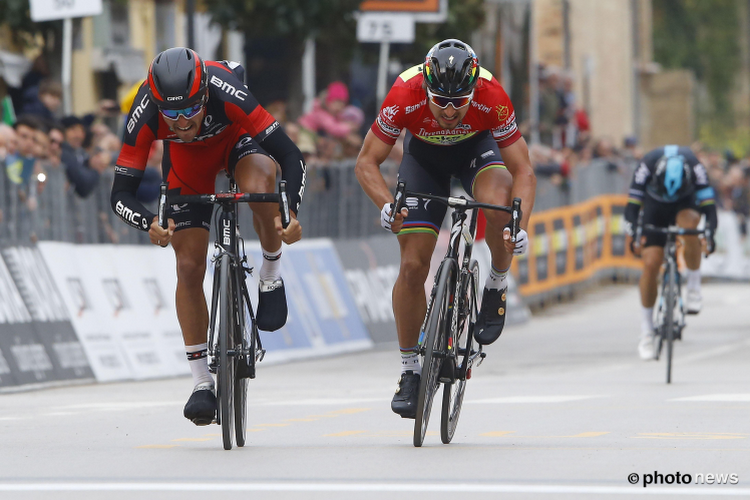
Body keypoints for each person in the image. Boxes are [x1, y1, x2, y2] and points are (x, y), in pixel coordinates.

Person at [110, 48, 306, 425]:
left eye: (189, 110)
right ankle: (201, 382)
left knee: (261, 186)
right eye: (171, 114)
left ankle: (270, 271)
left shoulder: (225, 89)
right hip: (187, 164)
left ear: (204, 96)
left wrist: (290, 213)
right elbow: (120, 193)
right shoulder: (146, 109)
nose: (181, 122)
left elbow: (292, 156)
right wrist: (148, 221)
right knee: (187, 265)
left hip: (237, 142)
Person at [354, 39, 536, 419]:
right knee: (413, 266)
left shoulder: (492, 94)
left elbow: (523, 170)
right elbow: (366, 161)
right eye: (441, 101)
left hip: (477, 153)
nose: (450, 111)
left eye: (460, 101)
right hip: (424, 162)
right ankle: (409, 372)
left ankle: (496, 283)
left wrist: (520, 225)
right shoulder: (404, 91)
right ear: (425, 86)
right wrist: (386, 205)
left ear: (474, 89)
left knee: (501, 206)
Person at [624, 145, 718, 360]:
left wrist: (710, 235)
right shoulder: (646, 165)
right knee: (651, 263)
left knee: (691, 226)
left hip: (686, 203)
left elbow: (710, 209)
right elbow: (631, 209)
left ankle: (694, 286)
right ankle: (647, 332)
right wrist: (634, 236)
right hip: (654, 206)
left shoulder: (694, 166)